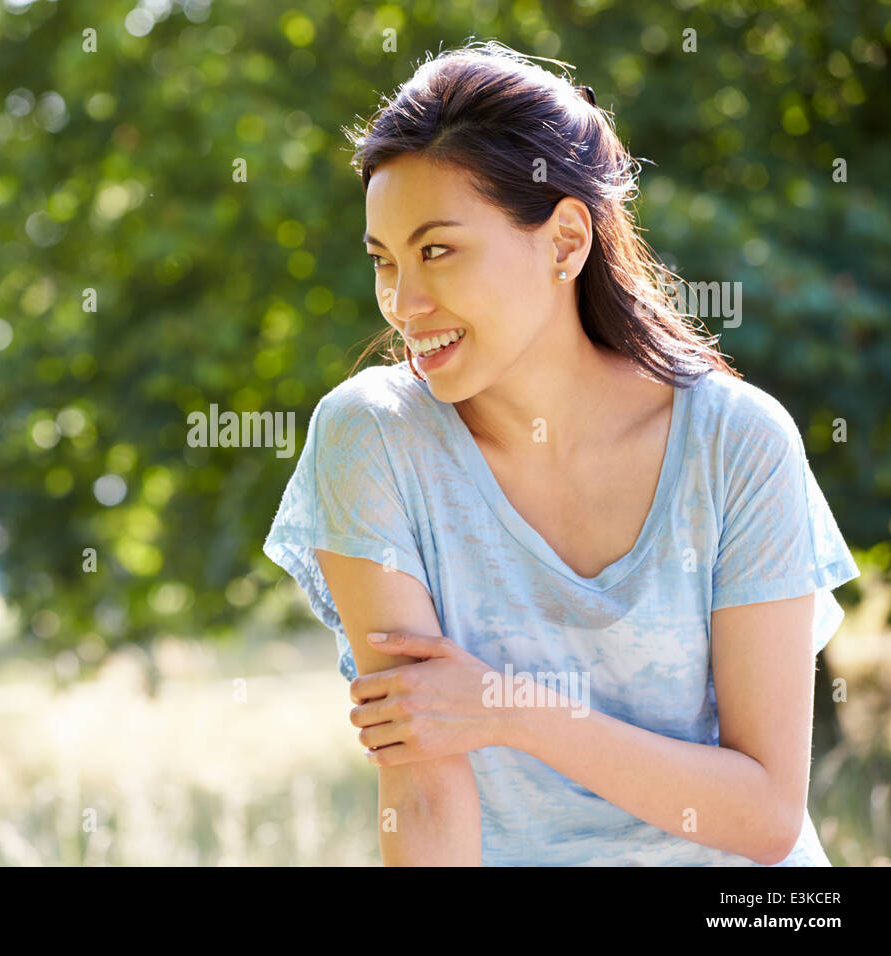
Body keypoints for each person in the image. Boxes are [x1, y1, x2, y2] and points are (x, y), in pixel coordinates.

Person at [262, 41, 859, 866]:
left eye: (437, 250)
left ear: (565, 242)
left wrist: (510, 711)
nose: (403, 302)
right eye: (383, 261)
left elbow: (764, 814)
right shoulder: (372, 440)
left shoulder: (738, 444)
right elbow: (427, 791)